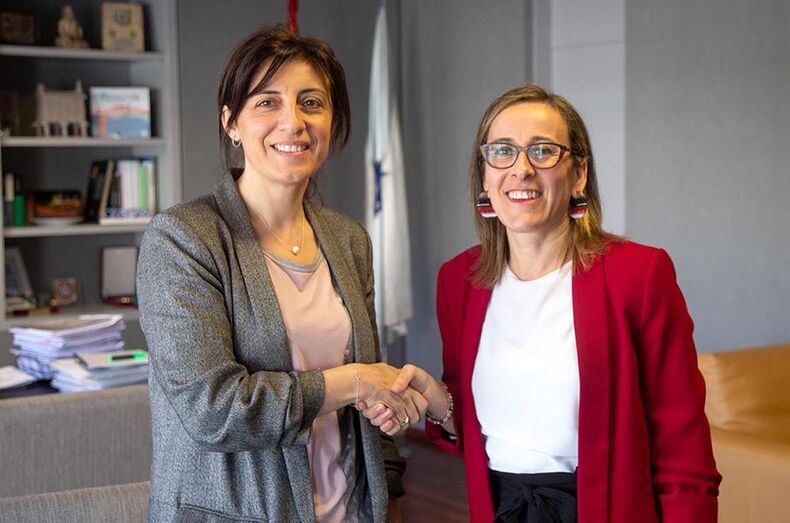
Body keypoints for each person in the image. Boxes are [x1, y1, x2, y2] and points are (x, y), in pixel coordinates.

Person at [365, 84, 722, 522]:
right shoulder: (459, 280)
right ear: (484, 176)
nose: (521, 169)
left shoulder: (640, 276)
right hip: (499, 510)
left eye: (543, 151)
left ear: (578, 175)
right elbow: (483, 428)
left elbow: (684, 455)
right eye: (502, 151)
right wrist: (440, 402)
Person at [137, 26, 424, 523]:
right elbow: (214, 410)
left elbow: (370, 399)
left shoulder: (348, 239)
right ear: (231, 122)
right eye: (267, 102)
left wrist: (389, 488)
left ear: (332, 121)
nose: (293, 122)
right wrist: (354, 381)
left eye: (311, 103)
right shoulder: (182, 238)